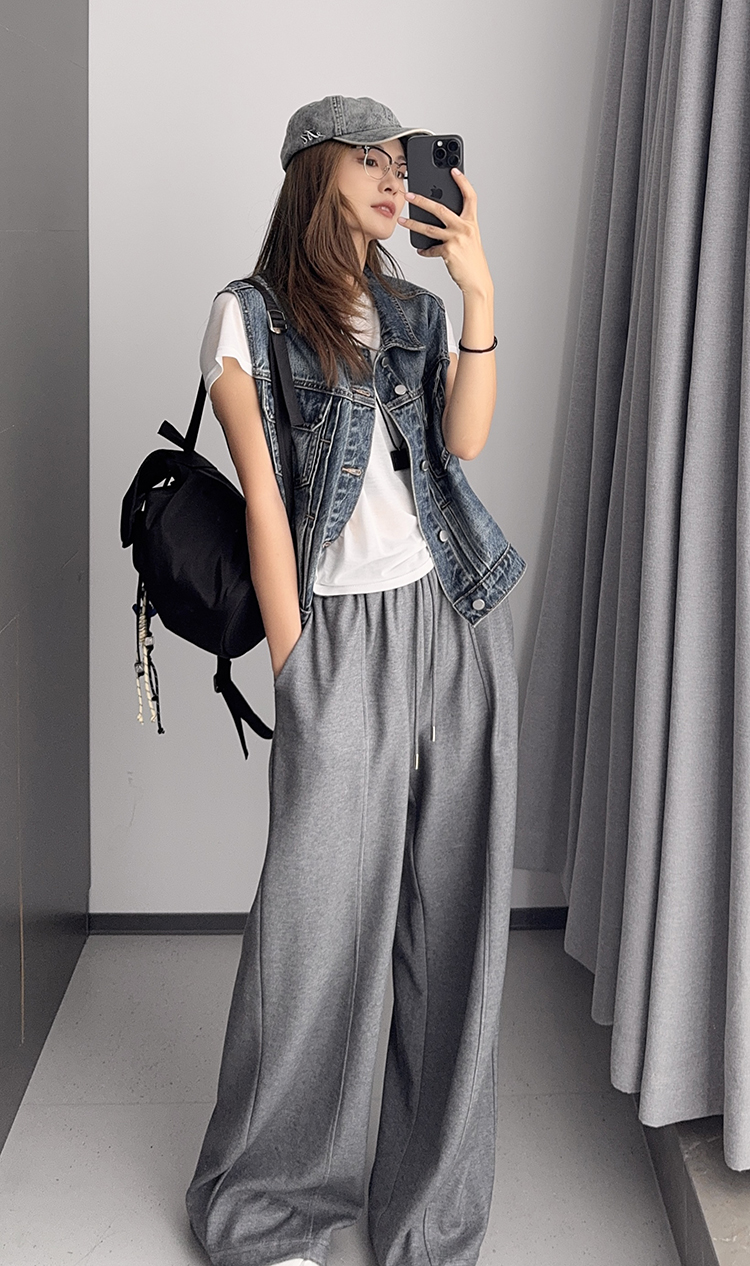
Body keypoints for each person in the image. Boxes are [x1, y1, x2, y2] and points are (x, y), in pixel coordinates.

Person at [185, 94, 526, 1266]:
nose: (393, 179)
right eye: (369, 160)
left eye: (401, 160)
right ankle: (279, 1206)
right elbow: (265, 503)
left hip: (455, 621)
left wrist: (478, 293)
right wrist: (295, 669)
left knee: (453, 924)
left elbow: (462, 447)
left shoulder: (418, 310)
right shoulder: (248, 316)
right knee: (316, 931)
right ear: (311, 172)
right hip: (337, 638)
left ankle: (428, 1213)